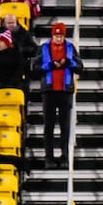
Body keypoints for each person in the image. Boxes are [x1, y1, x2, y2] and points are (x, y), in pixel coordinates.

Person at [37, 21, 81, 164]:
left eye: (61, 36)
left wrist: (68, 63)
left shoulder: (70, 48)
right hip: (49, 91)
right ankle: (48, 157)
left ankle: (64, 156)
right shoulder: (43, 48)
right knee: (48, 126)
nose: (58, 39)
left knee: (65, 126)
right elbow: (34, 67)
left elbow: (80, 67)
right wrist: (50, 65)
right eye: (56, 36)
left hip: (65, 91)